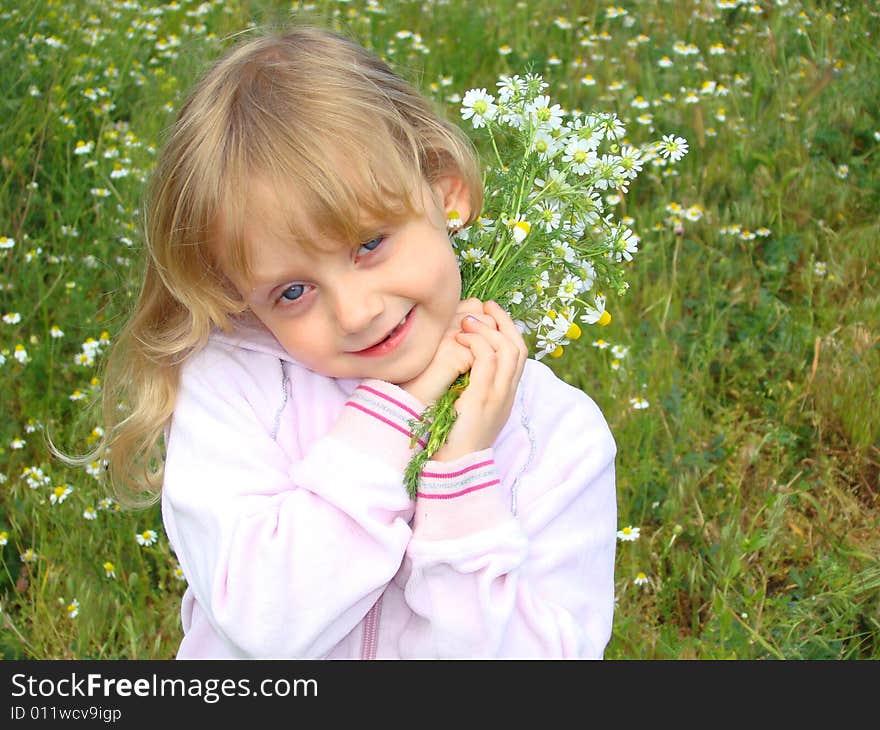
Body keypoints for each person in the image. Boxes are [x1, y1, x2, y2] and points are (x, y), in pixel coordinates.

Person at [93, 25, 618, 658]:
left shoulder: (559, 439)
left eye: (369, 244)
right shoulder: (232, 389)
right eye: (291, 292)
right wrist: (398, 419)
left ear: (446, 192)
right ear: (237, 294)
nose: (355, 312)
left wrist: (457, 477)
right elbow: (268, 624)